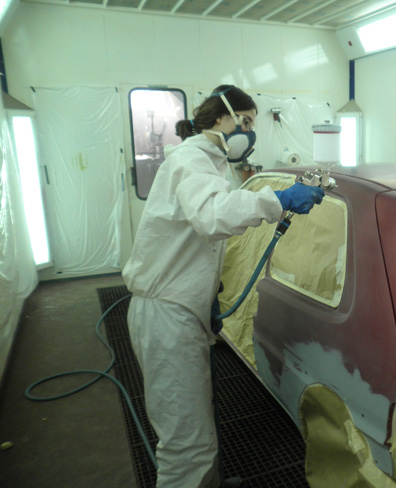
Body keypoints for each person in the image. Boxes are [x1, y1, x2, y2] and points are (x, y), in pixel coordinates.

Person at [122, 84, 324, 488]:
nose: (249, 132)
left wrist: (205, 297)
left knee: (198, 419)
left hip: (180, 305)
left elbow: (198, 234)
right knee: (186, 441)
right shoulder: (191, 159)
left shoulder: (208, 162)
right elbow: (212, 216)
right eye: (244, 122)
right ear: (220, 118)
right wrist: (278, 200)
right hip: (167, 315)